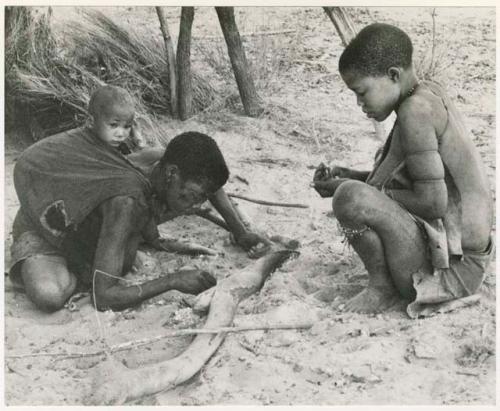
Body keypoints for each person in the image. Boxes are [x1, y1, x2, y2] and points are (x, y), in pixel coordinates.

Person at [312, 23, 494, 317]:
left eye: (362, 92)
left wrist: (357, 190)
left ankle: (382, 289)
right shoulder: (425, 95)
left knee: (350, 199)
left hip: (452, 276)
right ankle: (386, 281)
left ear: (393, 75)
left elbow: (434, 202)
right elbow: (413, 177)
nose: (359, 104)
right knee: (355, 188)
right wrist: (353, 176)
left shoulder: (415, 113)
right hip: (467, 260)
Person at [10, 129, 270, 312]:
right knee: (50, 295)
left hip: (96, 216)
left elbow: (211, 186)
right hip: (47, 226)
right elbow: (104, 297)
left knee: (124, 254)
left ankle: (95, 255)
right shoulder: (129, 201)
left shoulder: (161, 160)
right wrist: (173, 280)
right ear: (171, 174)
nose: (198, 203)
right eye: (193, 195)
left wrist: (240, 232)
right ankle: (81, 263)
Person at [86, 85, 144, 154]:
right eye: (113, 125)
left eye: (126, 126)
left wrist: (138, 140)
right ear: (91, 122)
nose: (120, 134)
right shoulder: (82, 148)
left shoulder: (123, 147)